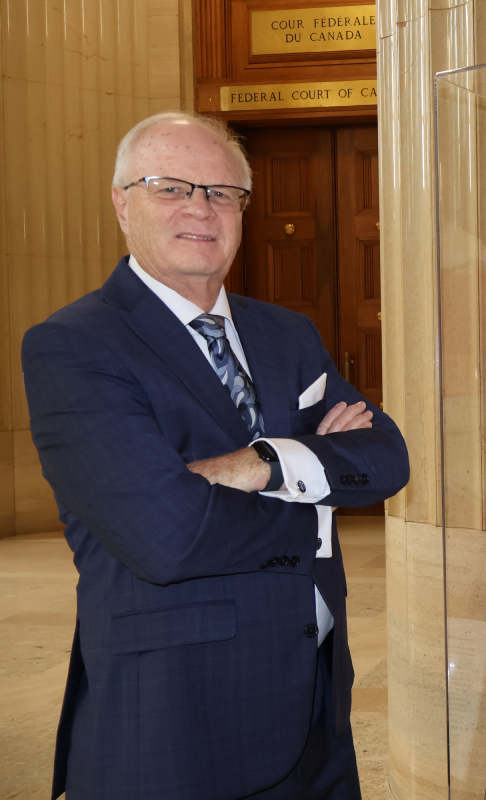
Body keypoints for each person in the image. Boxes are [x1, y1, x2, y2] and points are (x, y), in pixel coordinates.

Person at [22, 112, 409, 800]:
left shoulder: (286, 333)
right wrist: (315, 500)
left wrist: (264, 462)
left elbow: (386, 456)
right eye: (171, 187)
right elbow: (166, 536)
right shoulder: (76, 346)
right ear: (122, 202)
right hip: (180, 719)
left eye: (222, 192)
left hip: (317, 702)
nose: (201, 207)